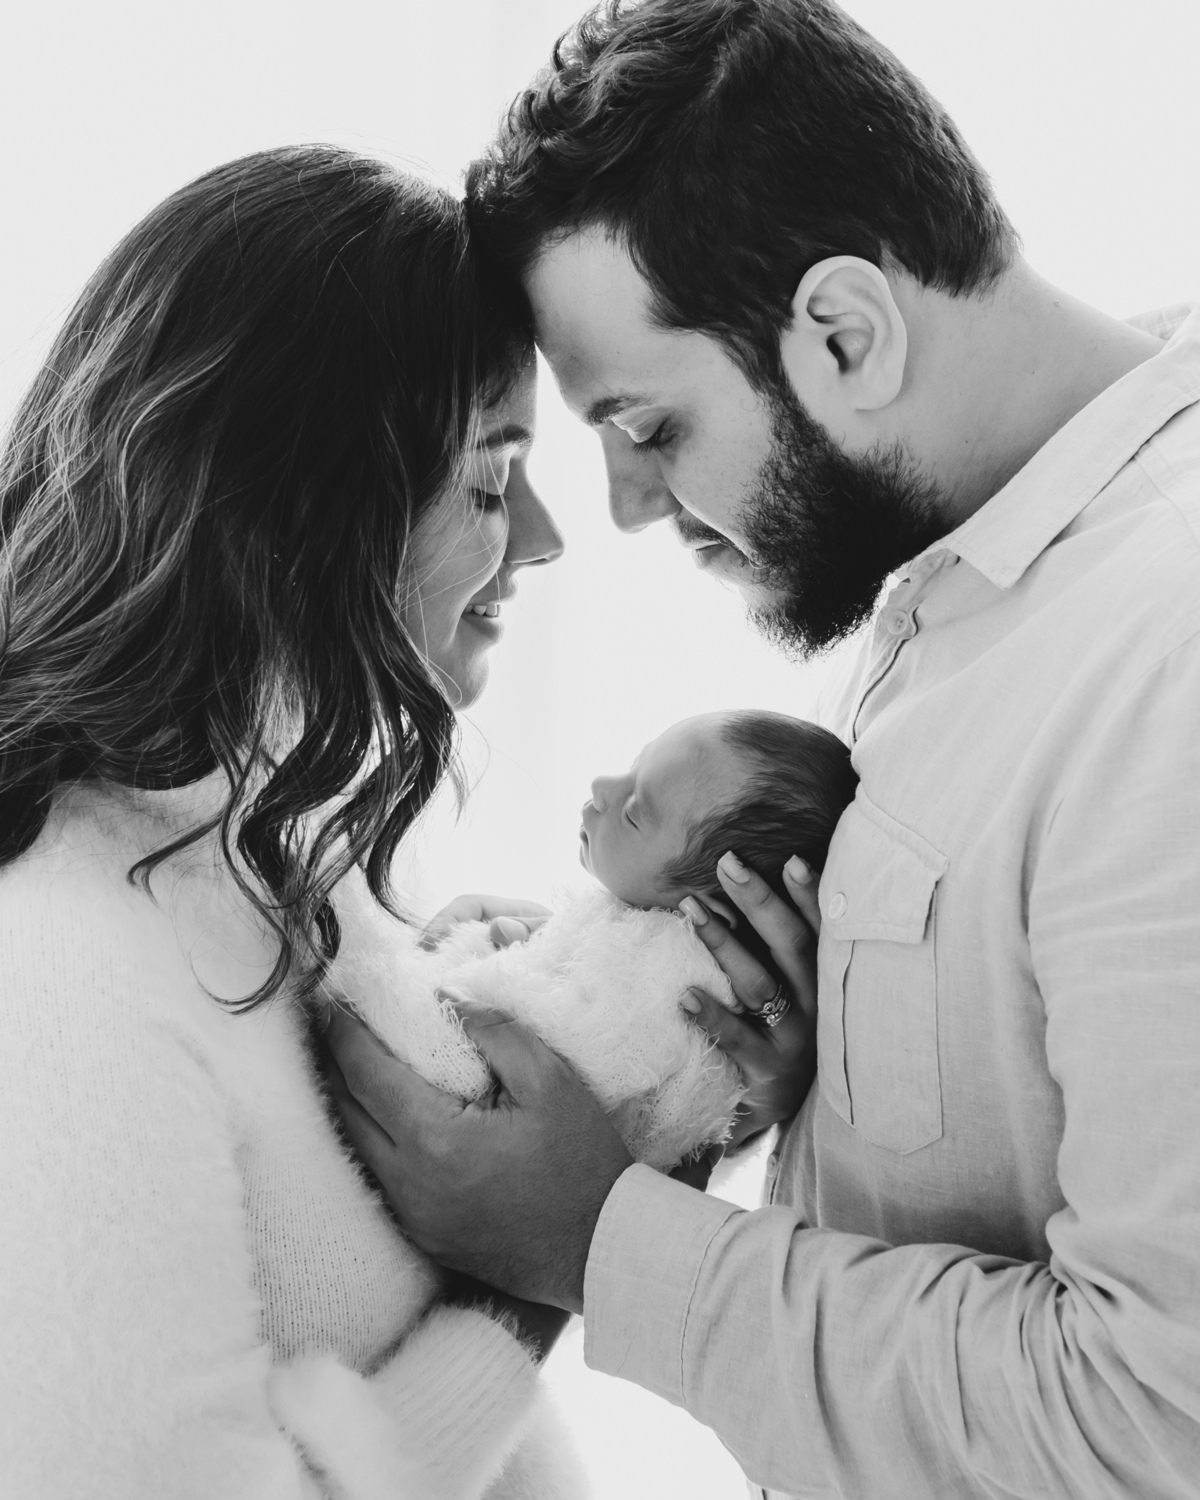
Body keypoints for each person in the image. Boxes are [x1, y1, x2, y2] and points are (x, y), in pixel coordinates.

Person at [322, 2, 1200, 1497]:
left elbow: (1157, 1423)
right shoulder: (960, 575)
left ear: (846, 333)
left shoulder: (1166, 651)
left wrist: (602, 1242)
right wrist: (756, 1074)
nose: (623, 510)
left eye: (650, 429)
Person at [0, 144, 580, 1499]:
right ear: (304, 505)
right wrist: (530, 1291)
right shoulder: (61, 968)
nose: (546, 537)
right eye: (492, 477)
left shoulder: (294, 857)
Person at [328, 710, 855, 1170]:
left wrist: (456, 967)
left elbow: (535, 1050)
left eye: (633, 813)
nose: (603, 785)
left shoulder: (666, 982)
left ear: (705, 911)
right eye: (634, 763)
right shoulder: (632, 925)